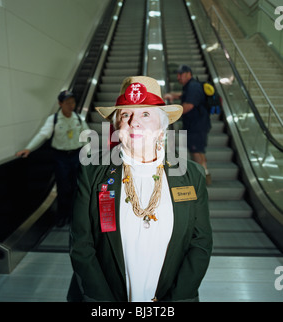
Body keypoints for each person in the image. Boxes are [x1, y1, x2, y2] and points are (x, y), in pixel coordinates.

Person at [67, 76, 213, 302]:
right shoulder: (91, 173)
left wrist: (176, 299)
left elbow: (200, 243)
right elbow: (81, 246)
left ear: (162, 127)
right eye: (125, 114)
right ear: (117, 125)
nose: (134, 122)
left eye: (145, 113)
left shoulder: (191, 176)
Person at [16, 90, 89, 227]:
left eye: (72, 102)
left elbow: (86, 137)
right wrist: (29, 148)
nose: (71, 105)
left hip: (76, 156)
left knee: (75, 186)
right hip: (60, 157)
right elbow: (43, 134)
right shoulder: (53, 119)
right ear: (60, 104)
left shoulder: (78, 118)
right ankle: (62, 215)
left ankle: (74, 215)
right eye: (67, 103)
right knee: (62, 187)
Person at [164, 65, 212, 185]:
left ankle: (202, 178)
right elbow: (184, 95)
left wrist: (171, 115)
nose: (178, 77)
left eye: (181, 74)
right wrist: (174, 95)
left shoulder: (193, 86)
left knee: (196, 151)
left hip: (196, 125)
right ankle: (205, 175)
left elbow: (188, 106)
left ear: (188, 74)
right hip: (197, 124)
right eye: (178, 74)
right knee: (199, 150)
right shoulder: (191, 86)